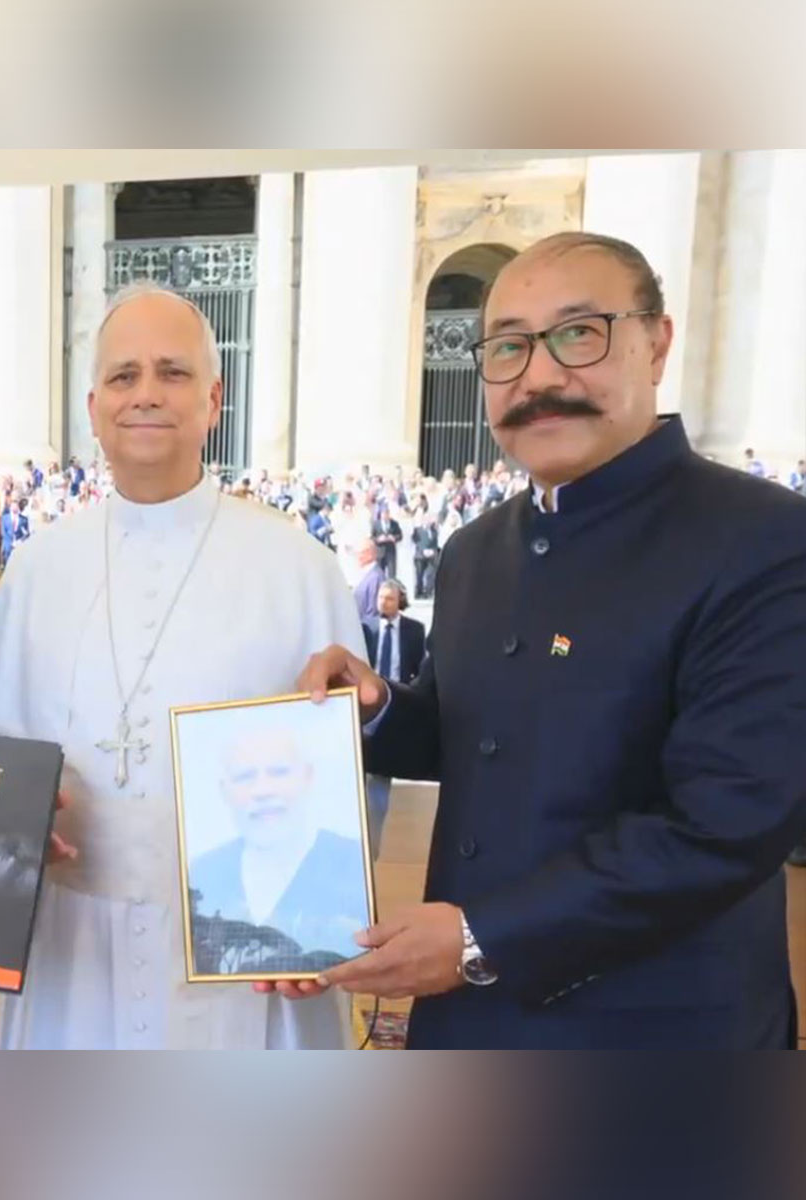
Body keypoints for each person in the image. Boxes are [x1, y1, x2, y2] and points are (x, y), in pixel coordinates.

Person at [296, 232, 806, 1049]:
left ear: (656, 343)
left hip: (659, 1041)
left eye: (579, 333)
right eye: (508, 348)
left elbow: (726, 821)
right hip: (468, 1022)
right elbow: (485, 734)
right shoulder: (476, 552)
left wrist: (477, 939)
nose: (539, 377)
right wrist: (381, 706)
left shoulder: (764, 541)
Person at [0, 282, 365, 1049]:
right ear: (93, 407)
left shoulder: (299, 567)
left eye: (172, 373)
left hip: (245, 958)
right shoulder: (38, 568)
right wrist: (7, 818)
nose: (146, 394)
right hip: (69, 951)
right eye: (123, 375)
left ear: (215, 399)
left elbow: (340, 765)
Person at [188, 727, 369, 976]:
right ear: (224, 790)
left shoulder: (351, 861)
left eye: (279, 772)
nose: (263, 790)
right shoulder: (203, 872)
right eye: (245, 776)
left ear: (308, 777)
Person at [358, 580, 426, 853]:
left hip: (395, 706)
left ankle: (371, 848)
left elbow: (419, 669)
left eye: (389, 598)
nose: (383, 603)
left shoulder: (414, 630)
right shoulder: (366, 628)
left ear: (400, 601)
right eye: (380, 598)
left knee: (378, 785)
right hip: (365, 708)